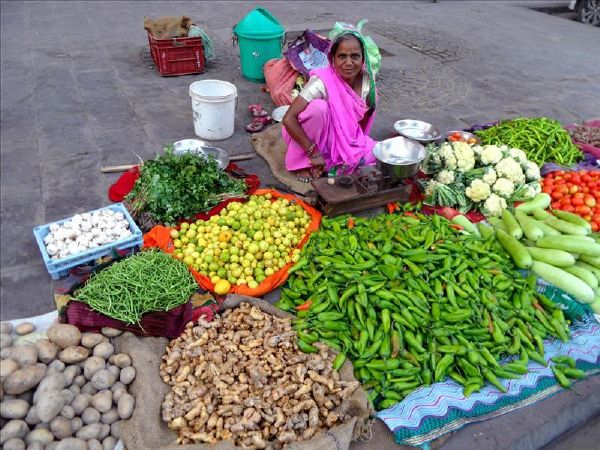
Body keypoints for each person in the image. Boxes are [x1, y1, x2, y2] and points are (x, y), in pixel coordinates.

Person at [282, 22, 380, 182]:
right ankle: (304, 162)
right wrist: (313, 152)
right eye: (342, 56)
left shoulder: (367, 83)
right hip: (311, 136)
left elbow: (362, 120)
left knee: (378, 153)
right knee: (318, 108)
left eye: (354, 56)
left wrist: (353, 144)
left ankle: (329, 161)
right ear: (332, 59)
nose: (349, 62)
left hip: (342, 138)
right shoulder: (321, 81)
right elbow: (288, 119)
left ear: (363, 59)